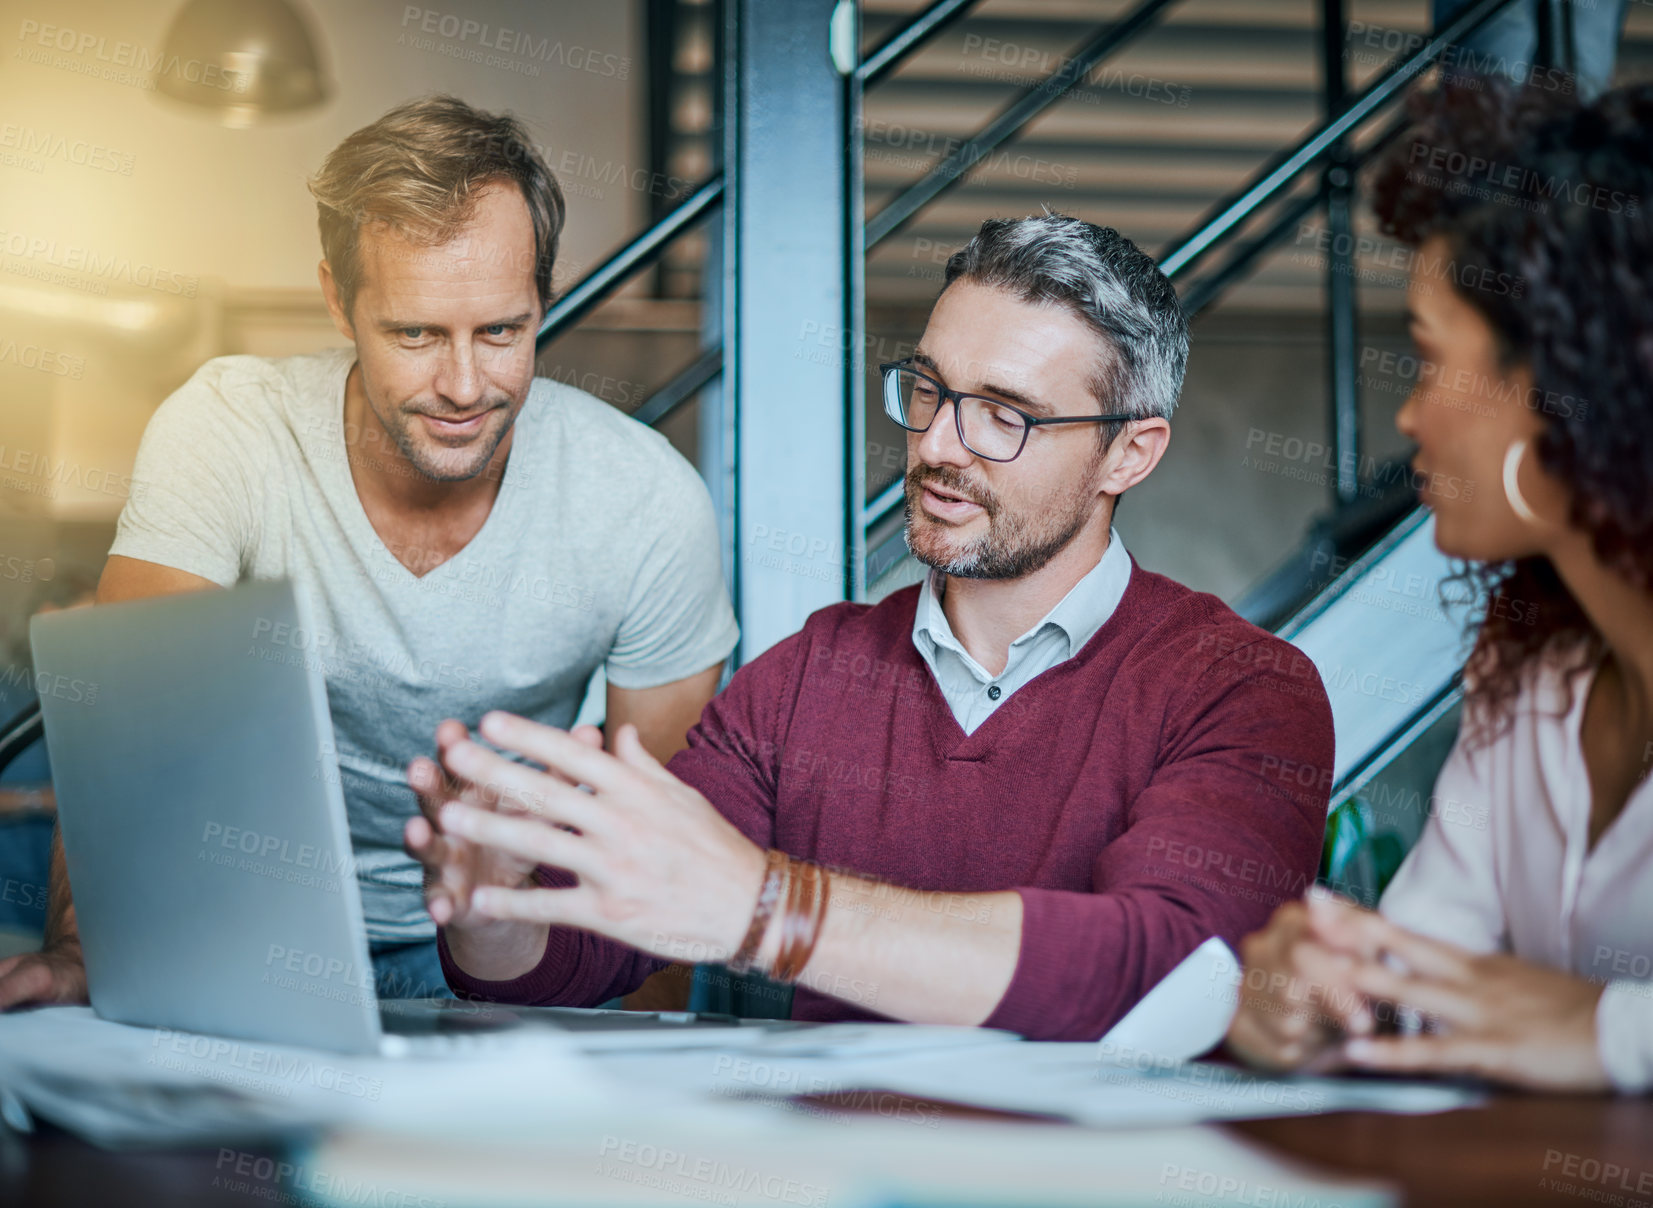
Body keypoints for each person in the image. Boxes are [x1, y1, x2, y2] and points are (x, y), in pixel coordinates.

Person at [405, 212, 1336, 1040]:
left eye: (1003, 416)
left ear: (1127, 454)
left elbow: (1177, 973)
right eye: (927, 390)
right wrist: (494, 908)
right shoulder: (813, 672)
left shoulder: (1242, 689)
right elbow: (592, 950)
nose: (934, 445)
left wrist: (772, 910)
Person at [0, 95, 738, 1011]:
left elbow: (643, 845)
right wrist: (84, 946)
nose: (465, 386)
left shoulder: (647, 499)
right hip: (244, 922)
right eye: (416, 334)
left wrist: (640, 1082)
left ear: (543, 298)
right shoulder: (228, 431)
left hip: (504, 940)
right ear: (336, 302)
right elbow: (132, 731)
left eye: (502, 331)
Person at [1226, 80, 1653, 1093]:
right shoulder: (1529, 668)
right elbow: (1427, 969)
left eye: (1427, 360)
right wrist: (1322, 992)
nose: (1409, 420)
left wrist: (1611, 1030)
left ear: (1570, 387)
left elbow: (1568, 1027)